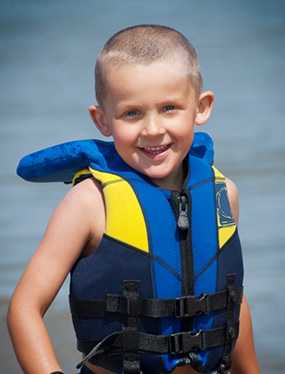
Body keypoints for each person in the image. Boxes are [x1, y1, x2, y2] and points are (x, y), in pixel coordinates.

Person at [7, 25, 259, 374]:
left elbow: (232, 297)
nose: (153, 129)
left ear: (201, 107)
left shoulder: (222, 194)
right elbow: (24, 307)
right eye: (132, 113)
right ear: (102, 120)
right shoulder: (90, 202)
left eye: (170, 107)